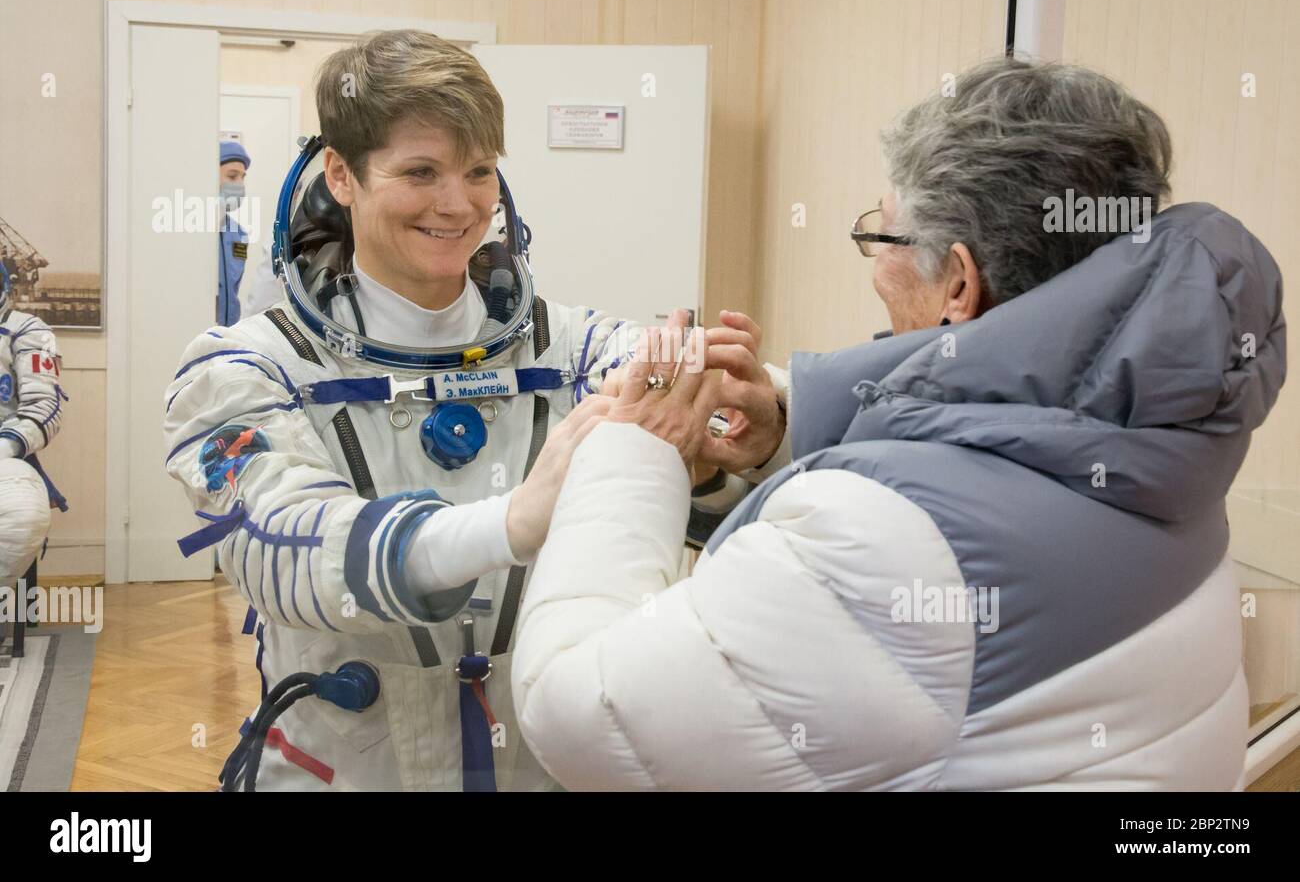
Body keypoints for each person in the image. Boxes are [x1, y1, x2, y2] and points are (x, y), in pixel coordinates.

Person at [509, 58, 1287, 790]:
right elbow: (992, 431)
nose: (875, 264)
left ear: (957, 280)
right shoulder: (1154, 437)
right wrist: (790, 425)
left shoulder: (884, 545)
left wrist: (636, 446)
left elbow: (579, 711)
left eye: (881, 236)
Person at [163, 30, 742, 791]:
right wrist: (511, 522)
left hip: (536, 754)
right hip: (348, 764)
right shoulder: (245, 367)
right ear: (342, 174)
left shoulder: (569, 346)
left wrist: (744, 428)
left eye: (479, 171)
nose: (458, 203)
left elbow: (689, 405)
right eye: (420, 171)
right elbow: (286, 544)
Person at [0, 259, 67, 617]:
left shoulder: (27, 331)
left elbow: (45, 407)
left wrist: (6, 447)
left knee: (22, 515)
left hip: (6, 456)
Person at [216, 140, 252, 326]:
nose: (239, 184)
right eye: (232, 176)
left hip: (228, 334)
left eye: (242, 177)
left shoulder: (240, 235)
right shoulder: (197, 233)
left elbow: (233, 289)